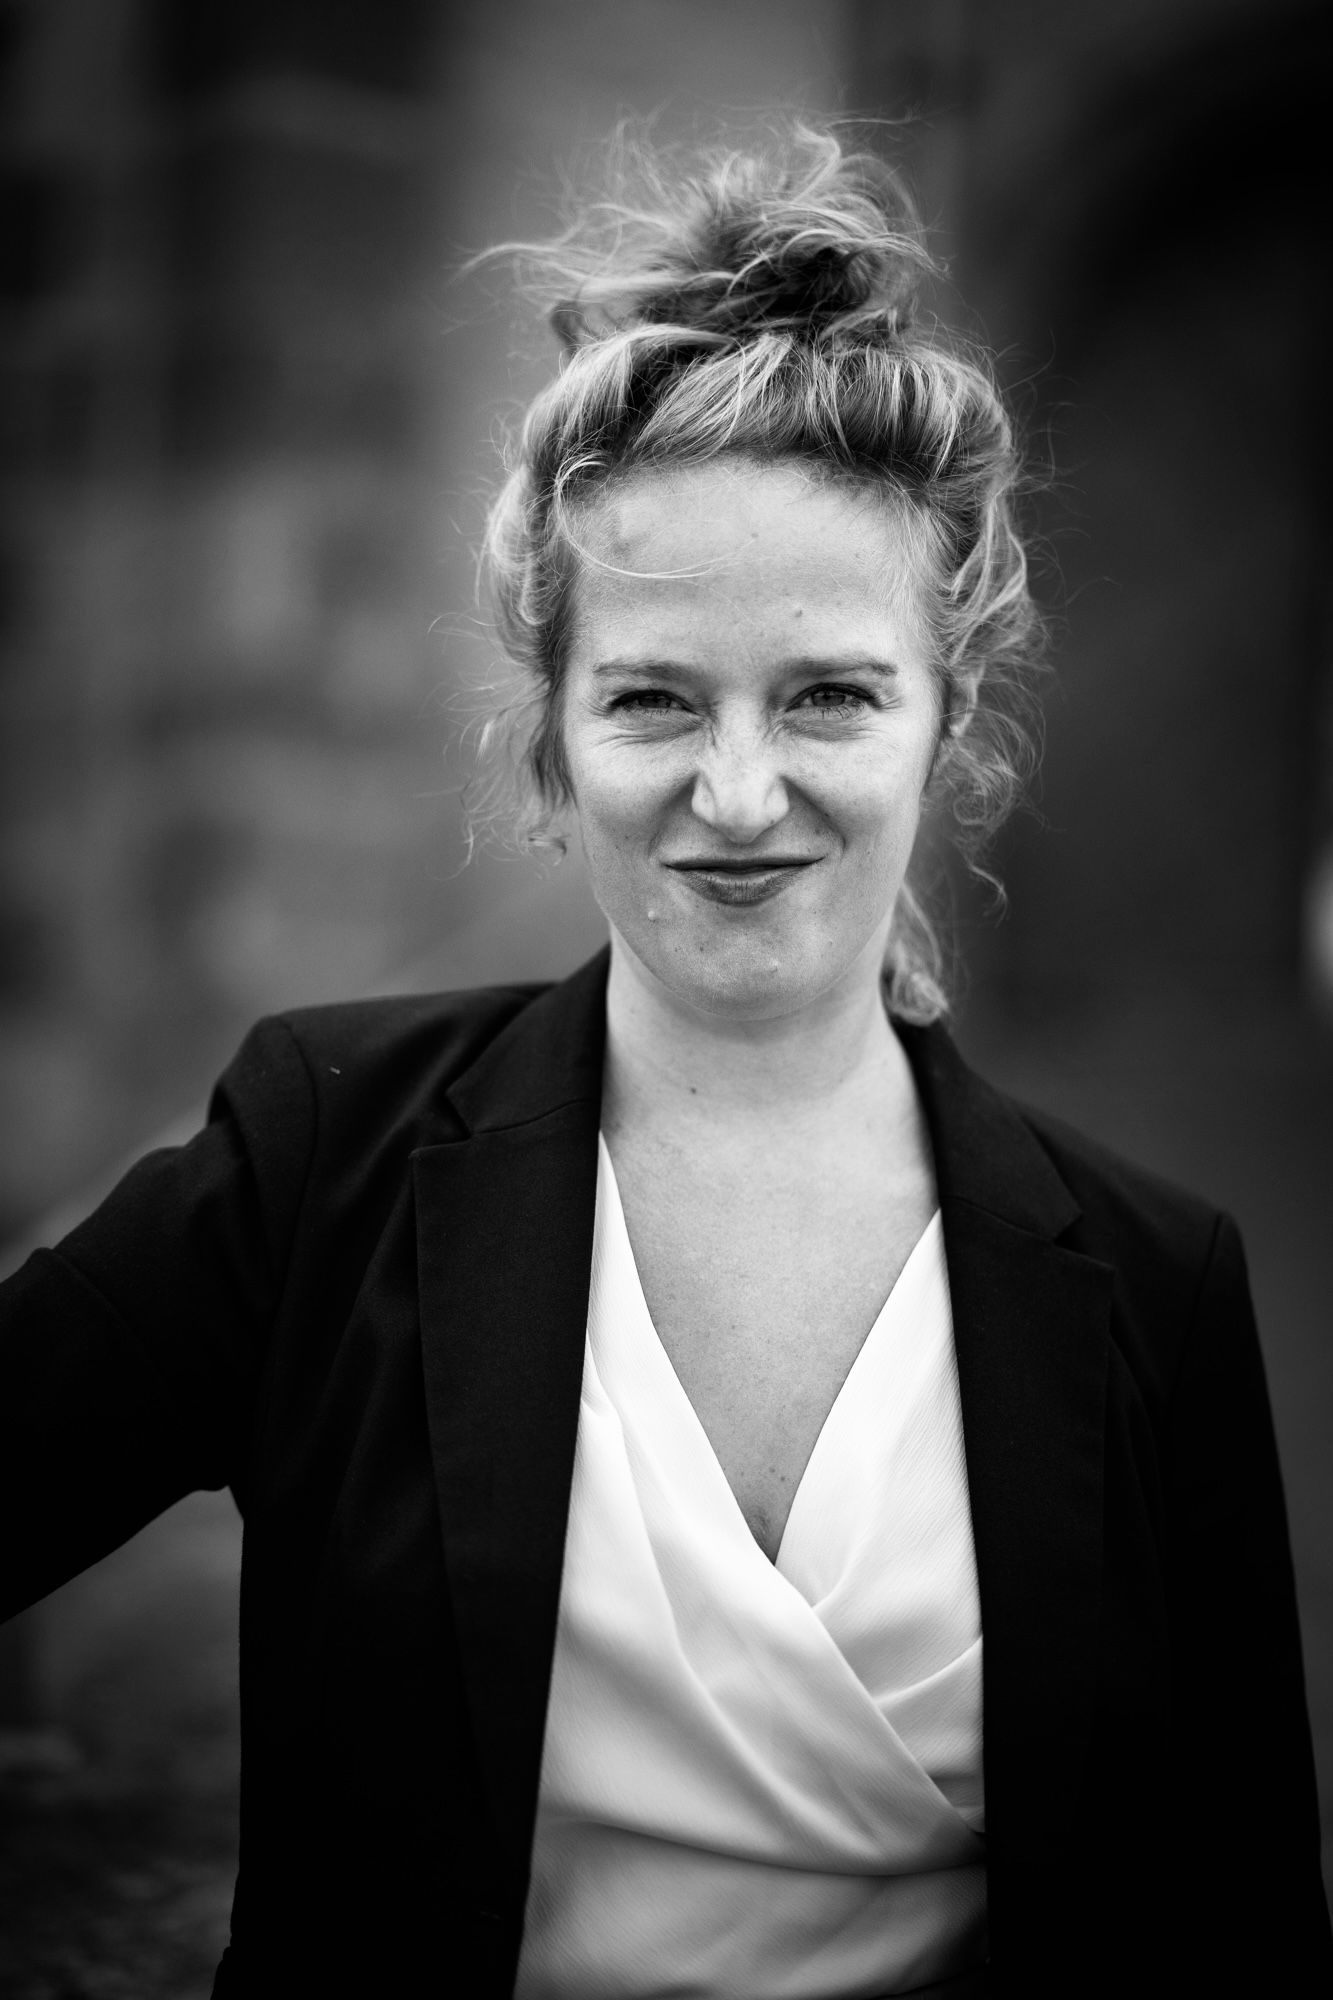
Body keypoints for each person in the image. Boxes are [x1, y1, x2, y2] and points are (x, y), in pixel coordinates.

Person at [1, 123, 1328, 2000]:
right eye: (649, 699)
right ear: (552, 744)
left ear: (948, 726)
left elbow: (1241, 1920)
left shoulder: (1154, 1284)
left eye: (829, 695)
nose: (738, 792)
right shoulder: (321, 1152)